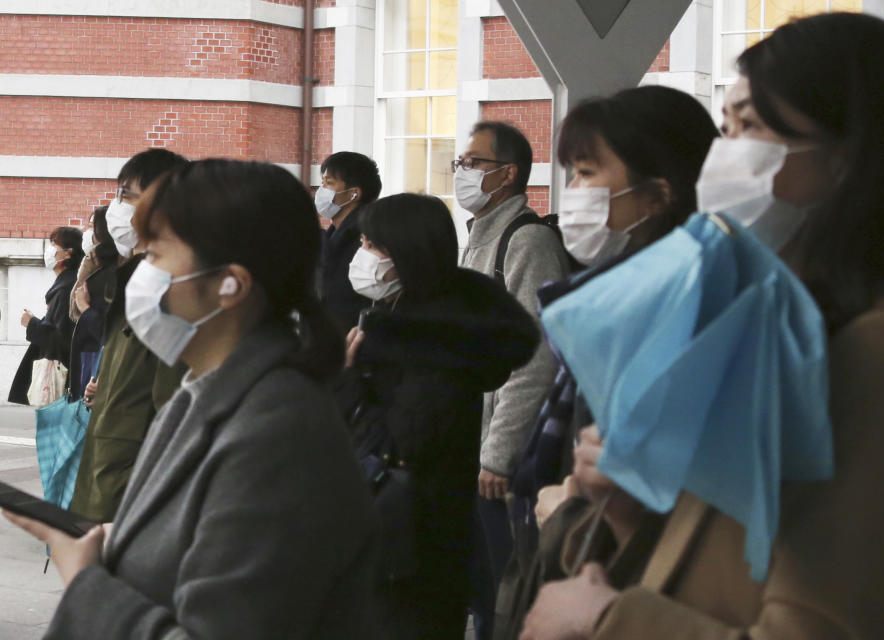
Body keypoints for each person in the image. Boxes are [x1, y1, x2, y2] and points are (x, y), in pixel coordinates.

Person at [519, 13, 884, 639]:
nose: (723, 157)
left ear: (851, 155)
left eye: (749, 127)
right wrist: (629, 512)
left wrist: (607, 619)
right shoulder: (775, 317)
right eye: (723, 127)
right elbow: (732, 570)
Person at [3, 159, 379, 639]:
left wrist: (88, 580)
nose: (142, 272)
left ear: (230, 285)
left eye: (157, 255)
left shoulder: (277, 434)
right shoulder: (207, 394)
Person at [495, 85, 718, 639]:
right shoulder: (606, 294)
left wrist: (567, 509)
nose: (572, 193)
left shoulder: (671, 309)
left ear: (656, 194)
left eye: (587, 173)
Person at [339, 192, 539, 639]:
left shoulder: (430, 341)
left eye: (374, 247)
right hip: (427, 528)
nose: (362, 257)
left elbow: (399, 442)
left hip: (409, 535)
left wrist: (350, 382)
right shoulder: (421, 321)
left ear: (408, 254)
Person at [457, 121, 570, 637]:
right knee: (482, 591)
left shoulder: (524, 241)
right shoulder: (479, 238)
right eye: (461, 162)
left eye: (474, 163)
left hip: (500, 461)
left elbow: (537, 356)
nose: (463, 172)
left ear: (508, 174)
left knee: (505, 591)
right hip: (474, 444)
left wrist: (498, 452)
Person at [70, 148, 190, 523]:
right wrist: (105, 385)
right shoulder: (136, 273)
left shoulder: (172, 283)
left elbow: (172, 400)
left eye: (126, 195)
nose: (116, 208)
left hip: (132, 473)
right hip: (113, 456)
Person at [8, 226, 84, 405]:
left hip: (59, 371)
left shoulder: (66, 288)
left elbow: (61, 337)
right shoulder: (66, 284)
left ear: (67, 253)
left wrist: (31, 323)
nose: (49, 250)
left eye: (54, 244)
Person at [314, 151, 383, 335]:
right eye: (322, 183)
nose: (321, 190)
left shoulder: (366, 238)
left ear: (353, 194)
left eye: (329, 183)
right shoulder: (331, 235)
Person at [66, 205, 119, 402]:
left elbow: (110, 329)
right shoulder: (95, 266)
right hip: (89, 351)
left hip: (98, 356)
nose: (87, 234)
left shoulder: (111, 272)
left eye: (92, 227)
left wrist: (85, 308)